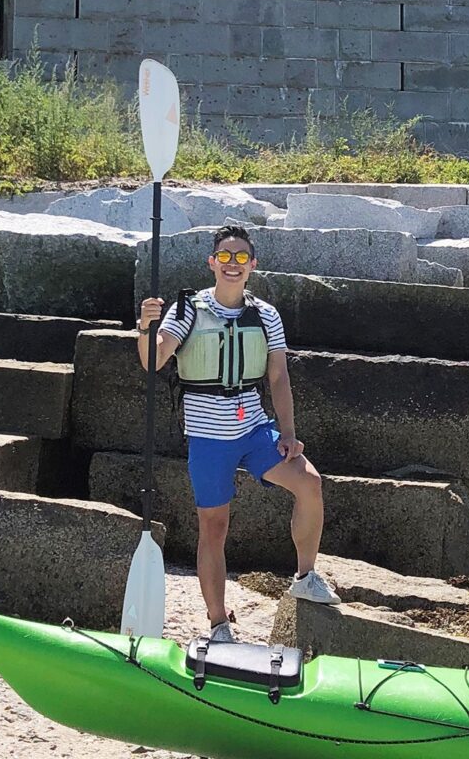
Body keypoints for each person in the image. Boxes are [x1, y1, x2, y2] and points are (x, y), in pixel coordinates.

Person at [137, 224, 339, 643]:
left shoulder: (265, 314)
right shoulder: (186, 310)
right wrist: (145, 327)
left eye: (241, 257)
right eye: (225, 257)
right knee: (214, 527)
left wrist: (288, 432)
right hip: (209, 440)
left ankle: (305, 576)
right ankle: (218, 624)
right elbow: (153, 362)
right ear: (212, 263)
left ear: (252, 265)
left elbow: (278, 376)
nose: (233, 264)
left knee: (309, 483)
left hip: (253, 429)